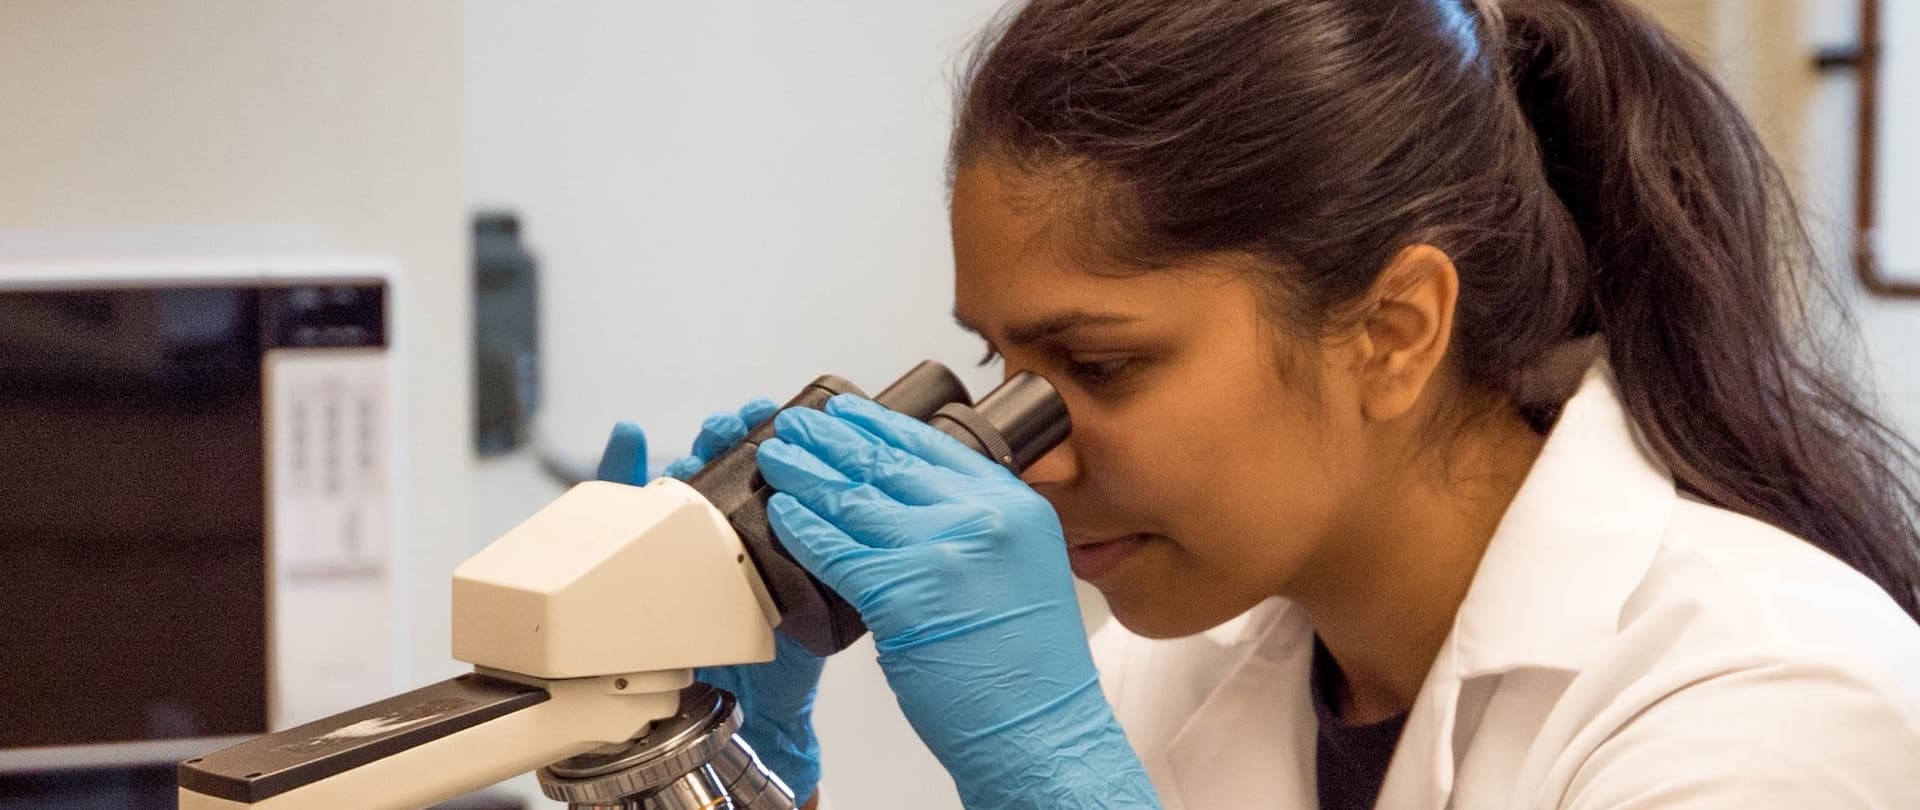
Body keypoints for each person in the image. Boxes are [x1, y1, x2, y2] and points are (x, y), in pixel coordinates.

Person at [598, 0, 1920, 807]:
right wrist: (717, 771)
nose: (1024, 462)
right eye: (1004, 371)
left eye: (1100, 367)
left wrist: (1063, 785)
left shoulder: (1765, 700)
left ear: (1394, 332)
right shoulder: (1177, 673)